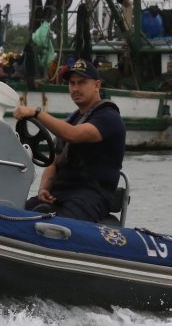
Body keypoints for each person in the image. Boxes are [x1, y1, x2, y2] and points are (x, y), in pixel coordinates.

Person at [13, 58, 126, 223]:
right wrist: (44, 188)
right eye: (72, 83)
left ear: (97, 85)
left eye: (82, 83)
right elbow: (54, 163)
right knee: (16, 213)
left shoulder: (109, 117)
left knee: (61, 227)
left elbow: (73, 135)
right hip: (60, 194)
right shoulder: (72, 119)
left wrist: (36, 113)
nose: (75, 88)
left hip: (91, 195)